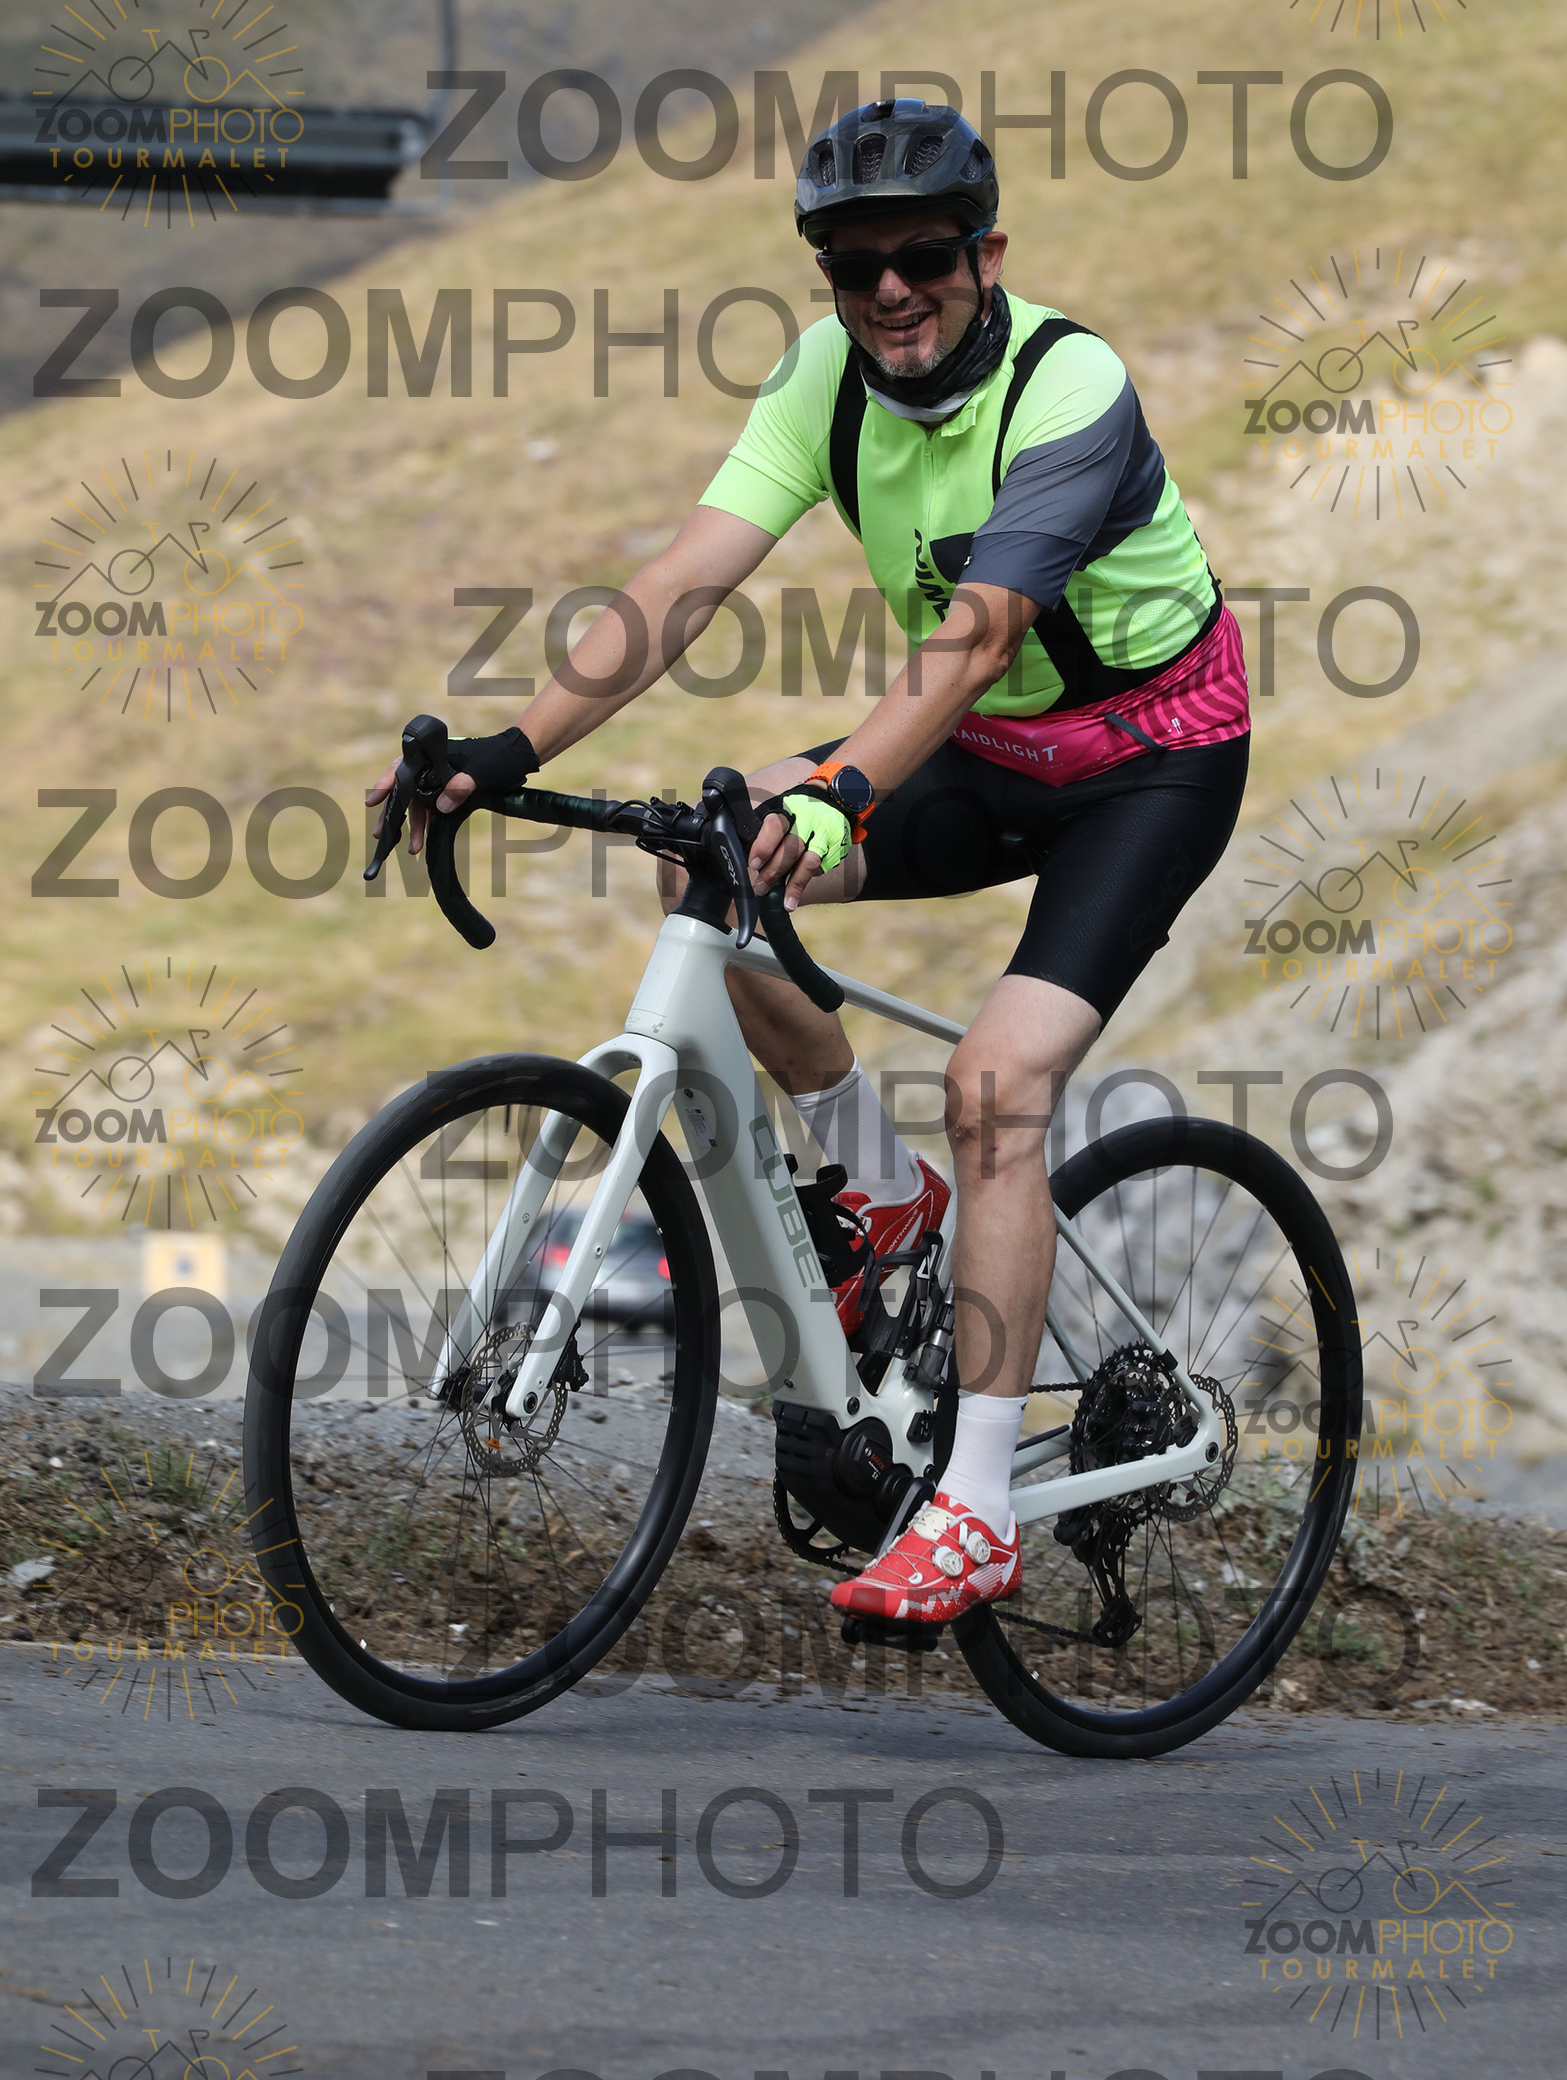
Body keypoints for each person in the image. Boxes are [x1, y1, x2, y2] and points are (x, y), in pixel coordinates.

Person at [368, 98, 1250, 1628]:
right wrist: (514, 745)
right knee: (705, 870)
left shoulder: (1070, 388)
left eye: (924, 258)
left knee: (997, 1085)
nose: (891, 291)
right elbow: (686, 581)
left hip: (1150, 765)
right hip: (988, 751)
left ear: (985, 256)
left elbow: (979, 635)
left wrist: (846, 782)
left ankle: (977, 1508)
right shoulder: (823, 379)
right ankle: (880, 1191)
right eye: (854, 268)